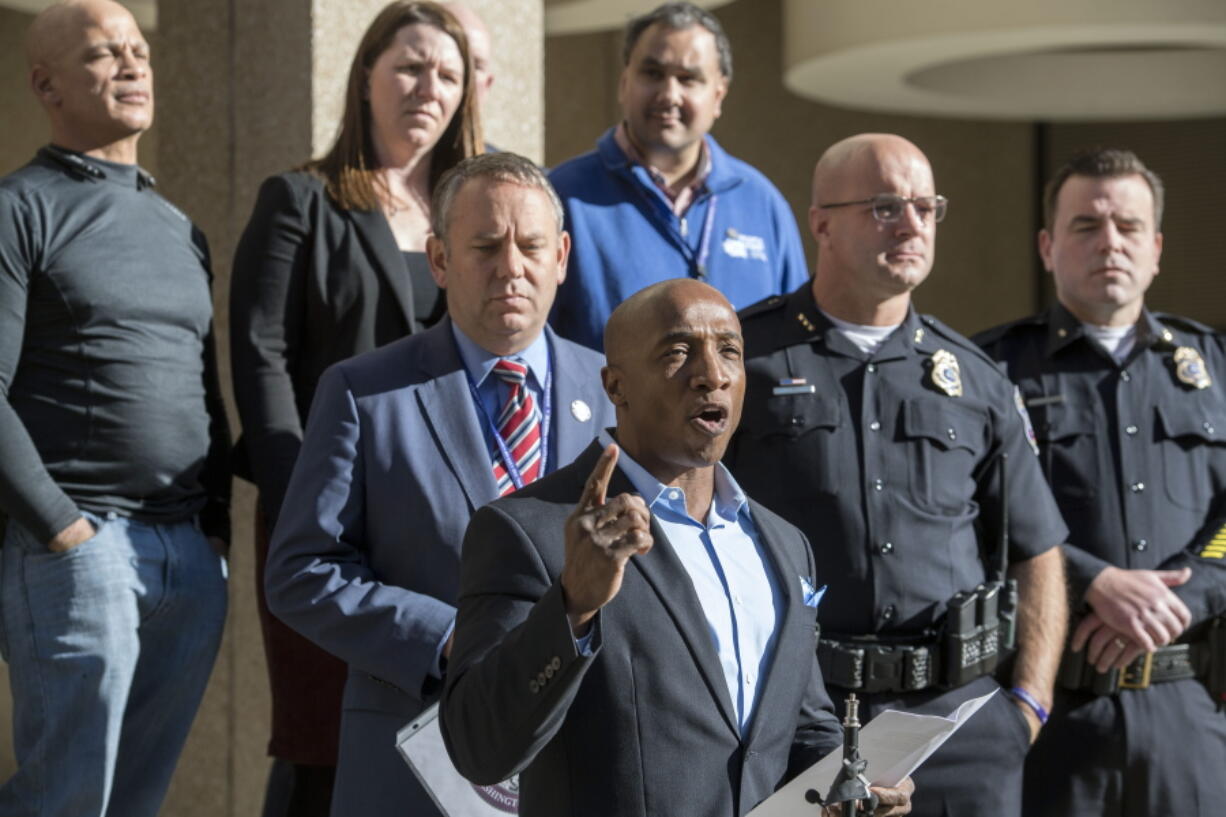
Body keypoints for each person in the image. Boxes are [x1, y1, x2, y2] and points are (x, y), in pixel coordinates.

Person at [441, 278, 913, 816]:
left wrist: (856, 782)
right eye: (678, 352)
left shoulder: (786, 546)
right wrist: (573, 604)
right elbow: (478, 748)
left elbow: (800, 727)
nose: (711, 374)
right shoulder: (529, 530)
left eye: (729, 351)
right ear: (615, 386)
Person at [727, 133, 1069, 817]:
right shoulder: (744, 361)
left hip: (958, 725)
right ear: (821, 222)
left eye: (926, 206)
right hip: (800, 717)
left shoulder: (974, 377)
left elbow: (1037, 547)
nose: (913, 225)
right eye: (886, 207)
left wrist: (1026, 705)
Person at [263, 151, 613, 817]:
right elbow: (300, 571)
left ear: (561, 257)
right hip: (416, 762)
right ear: (439, 260)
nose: (511, 267)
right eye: (485, 246)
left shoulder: (613, 395)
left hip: (581, 763)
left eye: (532, 246)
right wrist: (448, 637)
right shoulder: (364, 393)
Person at [228, 2, 482, 813]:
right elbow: (258, 348)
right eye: (409, 66)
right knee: (320, 740)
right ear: (366, 74)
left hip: (433, 521)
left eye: (447, 74)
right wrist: (296, 486)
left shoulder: (470, 218)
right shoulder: (300, 198)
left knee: (434, 736)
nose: (427, 87)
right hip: (324, 518)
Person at [0, 1, 230, 815]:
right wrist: (62, 530)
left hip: (188, 561)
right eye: (106, 53)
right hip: (78, 549)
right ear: (46, 85)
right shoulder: (19, 208)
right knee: (64, 799)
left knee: (132, 801)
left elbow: (207, 388)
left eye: (140, 50)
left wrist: (215, 536)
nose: (134, 65)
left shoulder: (180, 228)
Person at [975, 148, 1226, 817]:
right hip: (1050, 708)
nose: (1109, 242)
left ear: (1157, 247)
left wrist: (1186, 593)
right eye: (1086, 225)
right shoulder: (990, 369)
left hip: (1185, 706)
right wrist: (1093, 582)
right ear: (1047, 246)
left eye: (1129, 226)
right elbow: (972, 513)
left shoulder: (1213, 365)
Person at [547, 2, 807, 350]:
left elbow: (796, 344)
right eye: (652, 74)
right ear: (625, 83)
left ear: (718, 95)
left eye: (688, 79)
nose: (669, 95)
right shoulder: (564, 196)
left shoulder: (762, 203)